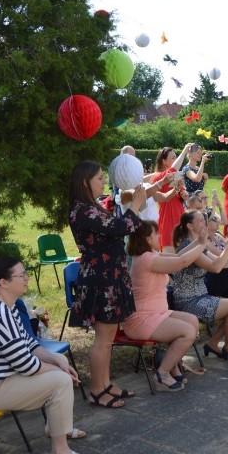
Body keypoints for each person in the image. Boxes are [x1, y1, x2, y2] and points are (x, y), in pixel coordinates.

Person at [0, 257, 95, 454]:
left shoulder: (4, 305)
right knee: (60, 381)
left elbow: (29, 344)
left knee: (58, 361)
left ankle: (57, 428)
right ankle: (61, 453)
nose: (27, 279)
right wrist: (60, 370)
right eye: (22, 275)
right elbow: (26, 365)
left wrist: (57, 360)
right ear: (4, 282)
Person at [68, 160, 146, 409]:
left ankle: (106, 384)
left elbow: (122, 226)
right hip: (101, 280)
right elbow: (121, 228)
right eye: (100, 178)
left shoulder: (90, 206)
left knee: (109, 336)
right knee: (103, 338)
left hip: (109, 276)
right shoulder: (82, 210)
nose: (104, 181)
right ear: (85, 182)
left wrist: (146, 194)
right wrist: (135, 205)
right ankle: (97, 391)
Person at [126, 221, 208, 391]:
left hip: (156, 314)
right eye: (156, 234)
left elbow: (179, 256)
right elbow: (182, 263)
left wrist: (199, 241)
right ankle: (161, 374)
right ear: (148, 238)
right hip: (141, 319)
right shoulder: (147, 259)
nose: (159, 236)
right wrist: (203, 244)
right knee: (187, 332)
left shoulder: (149, 255)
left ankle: (172, 366)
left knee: (192, 321)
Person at [171, 211, 228, 362]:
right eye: (200, 220)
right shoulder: (188, 246)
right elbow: (216, 268)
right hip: (189, 302)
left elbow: (224, 263)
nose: (204, 223)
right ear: (189, 226)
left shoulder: (199, 244)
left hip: (200, 296)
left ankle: (213, 343)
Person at [154, 144, 195, 253]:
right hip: (167, 217)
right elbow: (172, 170)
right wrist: (185, 150)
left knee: (183, 251)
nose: (175, 160)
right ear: (164, 161)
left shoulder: (175, 175)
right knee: (170, 253)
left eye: (175, 157)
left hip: (179, 214)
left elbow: (181, 193)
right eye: (173, 158)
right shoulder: (158, 177)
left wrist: (184, 194)